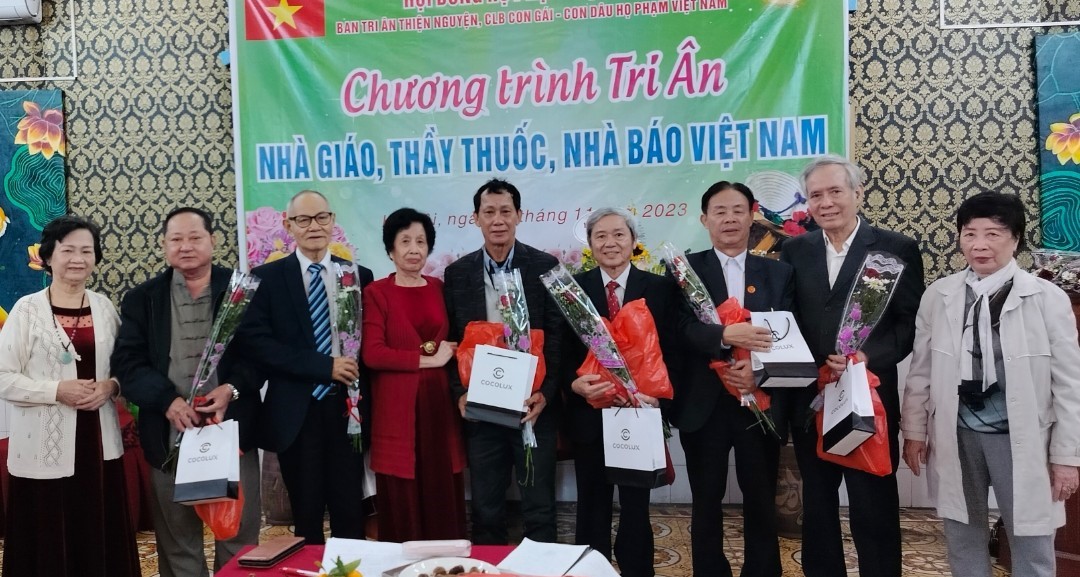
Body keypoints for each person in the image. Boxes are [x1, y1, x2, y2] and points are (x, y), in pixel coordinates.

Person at [902, 192, 1080, 577]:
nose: (979, 245)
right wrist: (914, 432)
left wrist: (1067, 457)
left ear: (1016, 239)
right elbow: (921, 370)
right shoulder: (939, 296)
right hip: (957, 433)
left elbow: (1070, 385)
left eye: (993, 234)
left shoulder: (1047, 299)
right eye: (970, 234)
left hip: (1022, 436)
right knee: (962, 534)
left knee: (1032, 539)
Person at [778, 155, 924, 577]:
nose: (825, 203)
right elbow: (789, 319)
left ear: (858, 193)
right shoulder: (795, 249)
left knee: (872, 502)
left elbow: (910, 324)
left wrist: (867, 357)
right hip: (813, 399)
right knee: (818, 506)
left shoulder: (895, 248)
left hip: (869, 397)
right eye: (815, 195)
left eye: (835, 191)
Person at [111, 207, 262, 575]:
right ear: (164, 245)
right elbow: (127, 364)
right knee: (178, 542)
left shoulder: (242, 291)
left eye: (195, 237)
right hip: (169, 436)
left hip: (231, 434)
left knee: (238, 537)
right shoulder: (143, 299)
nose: (185, 246)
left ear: (213, 240)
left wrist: (231, 389)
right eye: (176, 239)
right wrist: (168, 401)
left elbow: (261, 355)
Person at [0, 215, 140, 576]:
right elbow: (2, 377)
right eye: (68, 250)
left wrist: (111, 386)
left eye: (86, 251)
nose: (78, 259)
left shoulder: (104, 308)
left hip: (99, 447)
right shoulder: (26, 310)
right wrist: (56, 390)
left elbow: (127, 366)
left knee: (97, 537)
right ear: (48, 256)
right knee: (47, 544)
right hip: (42, 449)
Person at [236, 190, 374, 543]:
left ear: (332, 221)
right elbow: (258, 343)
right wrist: (323, 366)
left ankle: (351, 566)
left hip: (348, 412)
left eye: (321, 217)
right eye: (304, 219)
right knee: (306, 519)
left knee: (350, 515)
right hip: (296, 414)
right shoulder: (266, 278)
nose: (314, 226)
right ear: (288, 226)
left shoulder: (358, 275)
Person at [672, 182, 792, 577]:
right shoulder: (685, 270)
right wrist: (724, 336)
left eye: (738, 210)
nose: (729, 219)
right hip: (704, 405)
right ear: (704, 219)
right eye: (719, 211)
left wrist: (758, 370)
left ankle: (762, 571)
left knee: (761, 498)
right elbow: (680, 329)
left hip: (758, 400)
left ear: (752, 216)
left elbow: (788, 333)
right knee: (706, 500)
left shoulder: (778, 272)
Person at [443, 178, 563, 544]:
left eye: (505, 211)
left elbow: (557, 338)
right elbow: (452, 340)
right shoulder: (458, 273)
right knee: (486, 509)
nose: (498, 220)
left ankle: (540, 567)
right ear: (475, 218)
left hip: (532, 407)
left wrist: (546, 394)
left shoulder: (545, 266)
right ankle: (488, 567)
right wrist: (460, 393)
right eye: (489, 212)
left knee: (539, 507)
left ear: (519, 215)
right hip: (482, 408)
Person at [564, 207, 679, 577]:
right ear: (590, 243)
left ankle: (637, 569)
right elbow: (560, 350)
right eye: (601, 236)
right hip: (590, 414)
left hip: (639, 415)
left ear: (633, 241)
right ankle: (590, 571)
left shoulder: (660, 288)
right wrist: (573, 383)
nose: (610, 243)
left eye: (618, 234)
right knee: (591, 503)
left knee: (636, 505)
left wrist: (657, 396)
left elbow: (674, 350)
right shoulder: (572, 291)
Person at [361, 208, 467, 542]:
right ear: (390, 249)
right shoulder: (376, 293)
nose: (414, 249)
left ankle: (447, 562)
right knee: (402, 496)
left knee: (442, 489)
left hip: (440, 407)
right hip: (397, 410)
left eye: (421, 241)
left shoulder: (439, 287)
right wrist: (429, 361)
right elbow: (373, 354)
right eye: (405, 241)